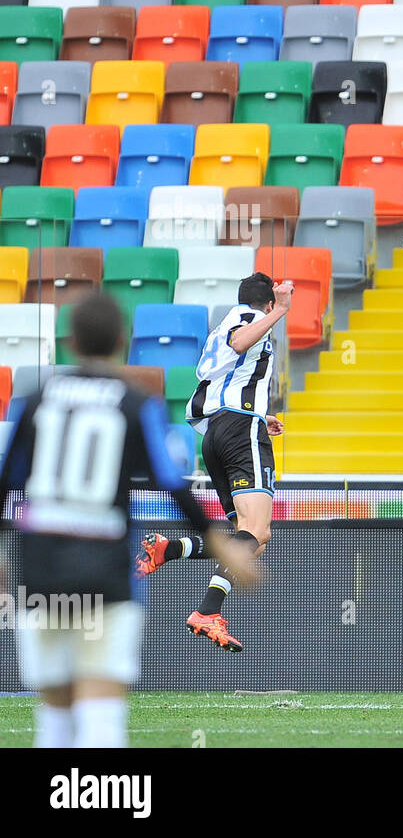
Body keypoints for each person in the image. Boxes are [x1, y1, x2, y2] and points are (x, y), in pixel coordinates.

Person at [0, 293, 254, 747]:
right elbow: (172, 485)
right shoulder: (135, 404)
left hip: (41, 572)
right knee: (101, 708)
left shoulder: (34, 400)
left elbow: (6, 484)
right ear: (122, 341)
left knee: (54, 712)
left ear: (70, 341)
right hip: (107, 573)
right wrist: (219, 542)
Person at [136, 272, 291, 653]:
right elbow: (242, 343)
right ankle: (207, 611)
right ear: (267, 303)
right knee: (256, 529)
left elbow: (227, 372)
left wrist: (257, 414)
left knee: (254, 537)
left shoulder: (221, 325)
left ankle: (169, 550)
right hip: (239, 433)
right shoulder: (252, 320)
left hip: (217, 432)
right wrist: (283, 310)